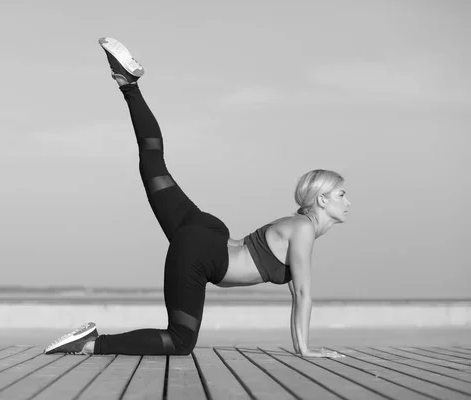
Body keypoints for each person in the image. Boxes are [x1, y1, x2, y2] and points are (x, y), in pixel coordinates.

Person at [44, 37, 350, 359]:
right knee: (179, 342)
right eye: (341, 194)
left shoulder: (296, 226)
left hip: (206, 233)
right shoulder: (303, 229)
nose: (348, 201)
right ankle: (91, 344)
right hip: (201, 253)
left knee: (154, 164)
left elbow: (295, 293)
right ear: (322, 200)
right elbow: (302, 293)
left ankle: (128, 84)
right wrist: (305, 351)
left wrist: (302, 346)